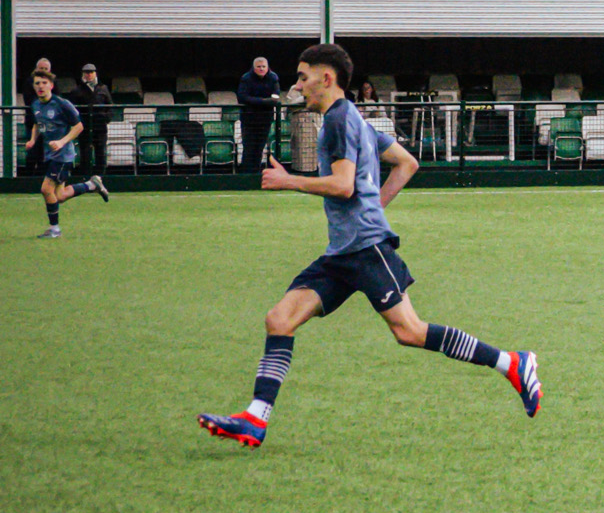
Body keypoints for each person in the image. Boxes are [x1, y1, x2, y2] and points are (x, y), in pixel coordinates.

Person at [197, 44, 540, 449]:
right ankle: (256, 419)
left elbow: (343, 186)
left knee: (409, 332)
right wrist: (373, 206)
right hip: (342, 252)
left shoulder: (340, 121)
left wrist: (291, 181)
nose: (298, 85)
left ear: (327, 79)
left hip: (367, 249)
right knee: (280, 319)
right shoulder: (351, 118)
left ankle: (512, 363)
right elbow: (407, 162)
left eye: (304, 76)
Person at [23, 71, 108, 236]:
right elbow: (37, 124)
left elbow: (79, 126)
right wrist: (33, 140)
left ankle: (55, 229)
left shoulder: (62, 104)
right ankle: (91, 185)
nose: (40, 86)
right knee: (59, 196)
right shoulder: (36, 104)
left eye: (44, 83)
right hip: (50, 155)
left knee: (46, 189)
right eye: (37, 83)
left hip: (63, 156)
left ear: (51, 86)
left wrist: (62, 142)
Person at [237, 55, 285, 169]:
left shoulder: (273, 78)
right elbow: (243, 97)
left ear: (268, 67)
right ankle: (246, 175)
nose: (261, 69)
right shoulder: (246, 78)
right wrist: (264, 101)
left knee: (259, 148)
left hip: (265, 119)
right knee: (248, 148)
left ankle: (257, 174)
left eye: (264, 66)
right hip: (249, 120)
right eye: (259, 67)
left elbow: (275, 97)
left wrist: (257, 101)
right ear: (254, 68)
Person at [72, 63, 112, 176]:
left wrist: (105, 119)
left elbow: (110, 106)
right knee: (85, 155)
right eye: (86, 72)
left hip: (100, 128)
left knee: (101, 154)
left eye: (91, 72)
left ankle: (100, 179)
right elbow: (73, 110)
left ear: (95, 73)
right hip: (84, 128)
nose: (89, 75)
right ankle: (85, 179)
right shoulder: (77, 90)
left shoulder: (103, 88)